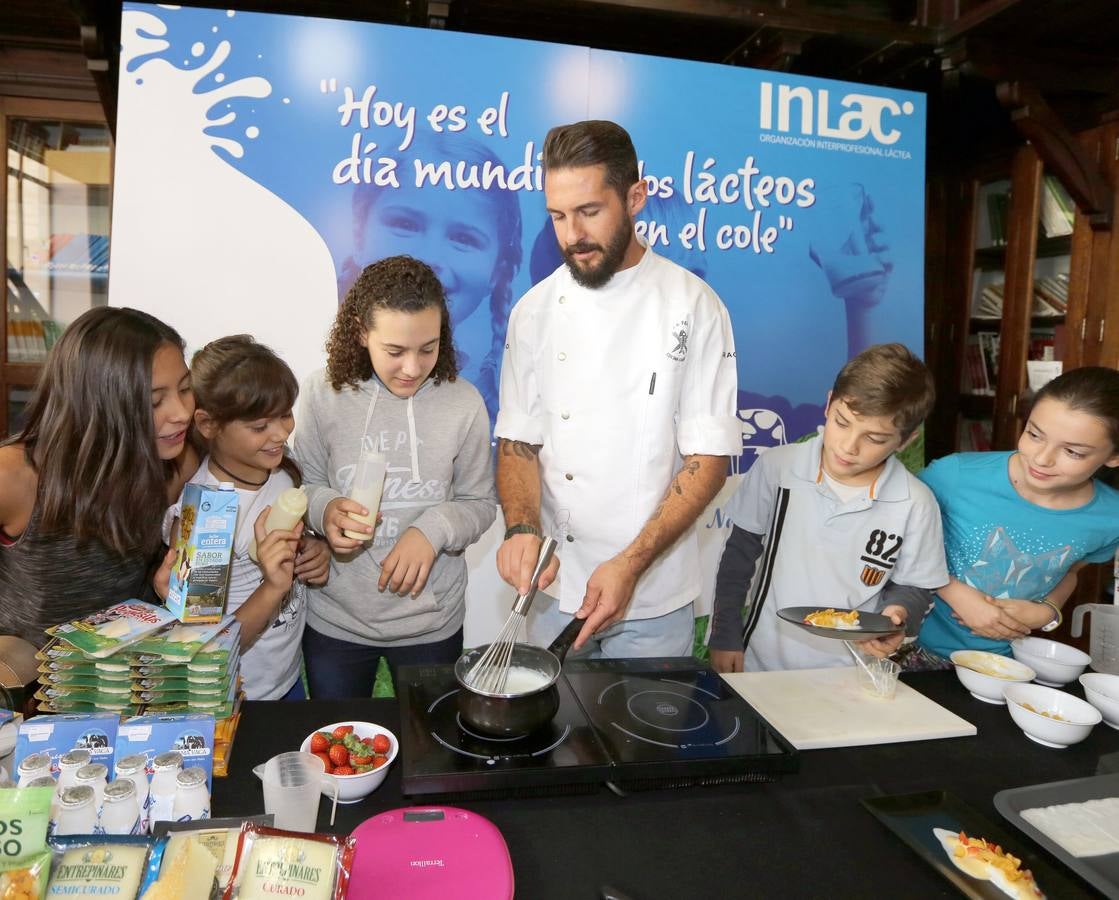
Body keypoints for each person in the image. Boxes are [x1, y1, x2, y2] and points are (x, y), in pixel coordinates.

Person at [495, 120, 740, 658]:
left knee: (644, 741)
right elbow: (518, 442)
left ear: (635, 197)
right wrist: (519, 527)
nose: (571, 236)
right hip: (552, 592)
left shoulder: (694, 306)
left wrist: (630, 564)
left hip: (654, 597)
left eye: (589, 212)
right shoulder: (532, 313)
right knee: (550, 735)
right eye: (558, 216)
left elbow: (708, 459)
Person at [295, 256, 497, 698]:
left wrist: (431, 530)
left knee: (432, 752)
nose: (412, 367)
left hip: (431, 623)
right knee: (339, 746)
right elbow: (304, 483)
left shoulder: (464, 403)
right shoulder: (320, 393)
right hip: (336, 622)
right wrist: (325, 510)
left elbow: (479, 503)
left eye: (429, 348)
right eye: (394, 351)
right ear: (361, 332)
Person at [708, 343, 949, 672]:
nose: (849, 447)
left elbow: (915, 587)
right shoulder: (778, 468)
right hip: (761, 661)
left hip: (854, 673)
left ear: (906, 441)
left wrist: (898, 615)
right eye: (842, 421)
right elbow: (738, 557)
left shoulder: (916, 502)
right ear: (828, 403)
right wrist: (725, 635)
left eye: (875, 439)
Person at [0, 307, 198, 647]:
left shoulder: (178, 461)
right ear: (97, 404)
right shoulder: (14, 475)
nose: (182, 412)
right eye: (154, 402)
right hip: (27, 689)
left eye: (185, 389)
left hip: (127, 682)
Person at [912, 366, 1119, 666]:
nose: (1042, 458)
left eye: (1073, 452)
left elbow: (1071, 570)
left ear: (1113, 456)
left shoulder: (1111, 517)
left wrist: (1048, 609)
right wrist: (952, 591)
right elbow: (896, 543)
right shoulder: (954, 476)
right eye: (1034, 434)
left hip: (1004, 664)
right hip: (908, 646)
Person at [167, 336, 330, 700]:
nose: (281, 433)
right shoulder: (204, 515)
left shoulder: (280, 466)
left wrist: (314, 549)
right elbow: (205, 644)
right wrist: (273, 586)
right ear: (207, 424)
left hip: (287, 681)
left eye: (286, 414)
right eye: (260, 427)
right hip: (237, 698)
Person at [336, 133, 523, 427]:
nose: (429, 258)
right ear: (358, 235)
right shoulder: (322, 394)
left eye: (464, 239)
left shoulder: (478, 403)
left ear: (497, 270)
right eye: (405, 224)